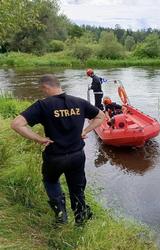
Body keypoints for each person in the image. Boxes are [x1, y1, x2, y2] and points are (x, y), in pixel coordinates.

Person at [11, 74, 105, 225]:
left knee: (51, 181)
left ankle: (61, 214)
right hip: (77, 155)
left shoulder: (43, 105)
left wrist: (38, 139)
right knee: (77, 187)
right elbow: (101, 116)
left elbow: (16, 124)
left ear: (45, 87)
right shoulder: (79, 102)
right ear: (58, 84)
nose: (43, 93)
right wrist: (85, 131)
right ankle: (81, 217)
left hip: (55, 156)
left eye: (42, 90)